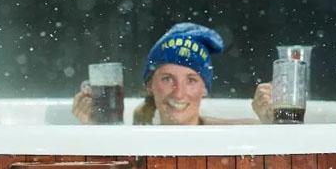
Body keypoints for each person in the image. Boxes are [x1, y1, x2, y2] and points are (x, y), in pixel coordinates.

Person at [72, 22, 256, 125]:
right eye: (168, 79)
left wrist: (271, 118)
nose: (178, 93)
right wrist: (94, 129)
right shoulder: (131, 138)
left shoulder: (234, 135)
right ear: (149, 85)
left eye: (191, 80)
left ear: (205, 89)